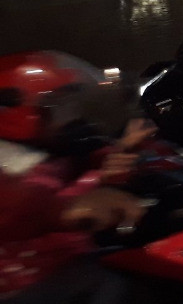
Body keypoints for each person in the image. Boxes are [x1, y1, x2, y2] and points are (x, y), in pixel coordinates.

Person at [0, 51, 156, 303]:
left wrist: (122, 152)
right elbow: (22, 208)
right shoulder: (8, 164)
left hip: (67, 260)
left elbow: (90, 163)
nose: (70, 115)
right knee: (115, 285)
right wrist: (68, 208)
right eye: (59, 106)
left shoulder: (50, 148)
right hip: (25, 283)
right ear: (18, 111)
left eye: (69, 104)